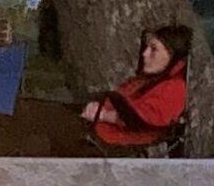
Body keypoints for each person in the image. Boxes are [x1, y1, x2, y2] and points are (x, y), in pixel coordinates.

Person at [79, 19, 195, 154]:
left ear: (172, 56)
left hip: (110, 140)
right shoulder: (149, 79)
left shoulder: (173, 88)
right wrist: (97, 108)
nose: (144, 54)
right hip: (98, 128)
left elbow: (140, 121)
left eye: (154, 49)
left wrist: (104, 115)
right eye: (147, 48)